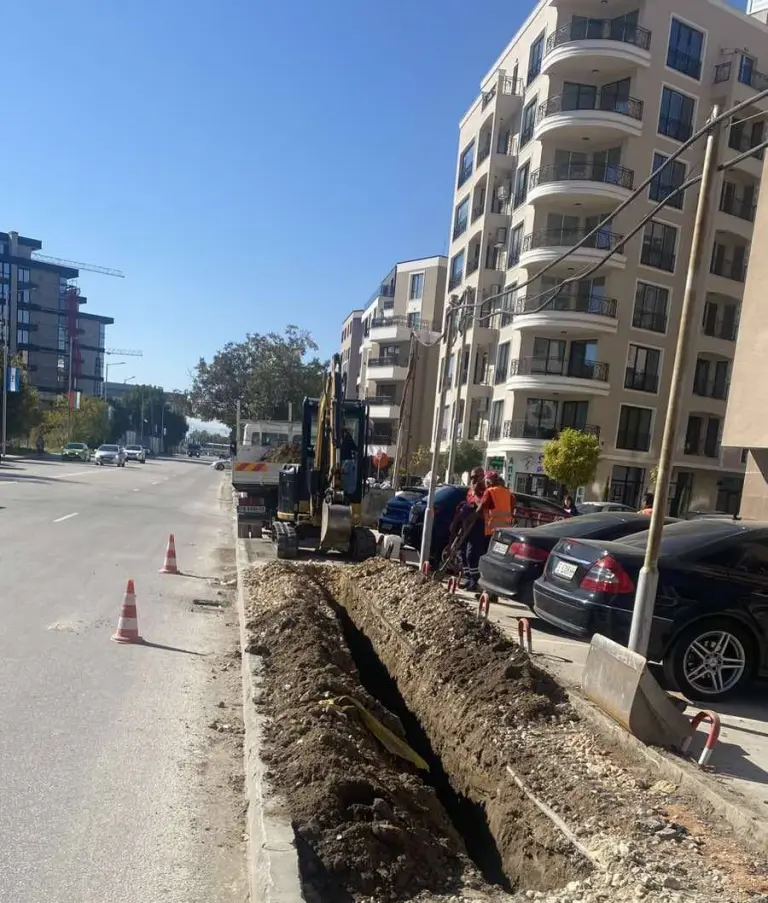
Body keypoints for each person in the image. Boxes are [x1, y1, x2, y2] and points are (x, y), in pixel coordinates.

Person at [478, 471, 515, 539]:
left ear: (488, 481)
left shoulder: (489, 491)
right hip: (505, 530)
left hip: (492, 530)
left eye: (485, 481)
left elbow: (479, 510)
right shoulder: (509, 494)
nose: (485, 484)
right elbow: (511, 513)